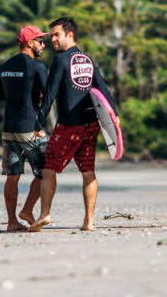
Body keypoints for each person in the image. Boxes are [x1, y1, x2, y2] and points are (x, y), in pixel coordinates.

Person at [29, 17, 116, 232]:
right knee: (88, 171)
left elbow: (49, 95)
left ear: (70, 35)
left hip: (69, 125)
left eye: (56, 35)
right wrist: (114, 115)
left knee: (49, 169)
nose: (53, 40)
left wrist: (38, 123)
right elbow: (102, 89)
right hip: (90, 124)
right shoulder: (86, 59)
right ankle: (89, 222)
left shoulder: (60, 60)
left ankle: (45, 214)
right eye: (51, 36)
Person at [0, 26, 49, 232]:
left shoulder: (4, 66)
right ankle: (26, 210)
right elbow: (47, 95)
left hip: (9, 127)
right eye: (39, 41)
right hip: (30, 127)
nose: (43, 45)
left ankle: (11, 222)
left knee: (12, 176)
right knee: (46, 171)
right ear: (28, 42)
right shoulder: (37, 67)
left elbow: (1, 96)